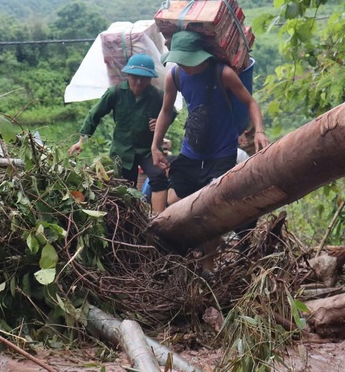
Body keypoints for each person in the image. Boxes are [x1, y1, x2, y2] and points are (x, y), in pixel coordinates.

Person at [151, 30, 270, 273]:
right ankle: (186, 250)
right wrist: (155, 145)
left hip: (221, 153)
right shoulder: (175, 75)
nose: (186, 66)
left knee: (212, 209)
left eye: (189, 61)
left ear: (201, 57)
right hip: (191, 152)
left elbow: (250, 102)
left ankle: (208, 267)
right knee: (174, 200)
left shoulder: (222, 73)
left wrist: (259, 131)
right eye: (181, 61)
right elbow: (166, 111)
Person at [69, 53, 171, 213]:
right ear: (128, 75)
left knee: (158, 176)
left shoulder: (157, 96)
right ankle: (131, 217)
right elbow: (94, 115)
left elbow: (169, 113)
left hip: (147, 150)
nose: (139, 82)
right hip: (122, 150)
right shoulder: (115, 93)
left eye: (144, 78)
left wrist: (160, 123)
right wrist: (82, 141)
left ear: (150, 79)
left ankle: (159, 218)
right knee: (125, 187)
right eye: (135, 77)